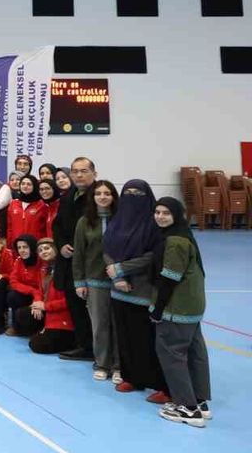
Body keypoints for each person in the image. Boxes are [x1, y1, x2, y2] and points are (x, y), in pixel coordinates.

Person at [104, 179, 168, 400]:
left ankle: (157, 381)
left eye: (138, 193)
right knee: (124, 336)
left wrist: (122, 268)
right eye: (128, 192)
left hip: (142, 290)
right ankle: (131, 377)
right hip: (118, 289)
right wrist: (117, 275)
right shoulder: (116, 221)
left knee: (146, 338)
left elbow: (153, 256)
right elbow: (107, 249)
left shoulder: (154, 225)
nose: (132, 197)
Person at [149, 197, 211, 428]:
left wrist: (158, 309)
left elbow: (169, 278)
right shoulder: (185, 235)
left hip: (177, 307)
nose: (160, 217)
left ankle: (187, 408)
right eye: (157, 212)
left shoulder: (175, 242)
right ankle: (200, 401)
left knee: (171, 353)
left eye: (166, 213)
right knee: (195, 352)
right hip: (192, 305)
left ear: (177, 215)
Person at [73, 179, 120, 381]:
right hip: (94, 281)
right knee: (99, 325)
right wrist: (79, 281)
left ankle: (118, 366)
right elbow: (79, 253)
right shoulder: (84, 222)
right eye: (98, 193)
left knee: (118, 325)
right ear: (92, 197)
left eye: (107, 193)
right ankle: (102, 363)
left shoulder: (121, 220)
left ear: (113, 197)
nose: (103, 197)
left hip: (119, 281)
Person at [53, 157, 96, 362]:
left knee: (94, 309)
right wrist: (61, 245)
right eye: (75, 171)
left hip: (92, 262)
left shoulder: (100, 194)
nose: (79, 175)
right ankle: (84, 345)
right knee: (76, 306)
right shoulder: (67, 196)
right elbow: (57, 225)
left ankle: (100, 349)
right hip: (69, 260)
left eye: (84, 171)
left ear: (94, 173)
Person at [29, 238, 77, 355]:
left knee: (37, 345)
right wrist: (37, 303)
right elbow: (38, 290)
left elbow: (70, 300)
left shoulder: (66, 268)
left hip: (63, 315)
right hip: (49, 311)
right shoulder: (44, 269)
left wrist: (45, 306)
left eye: (47, 248)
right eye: (40, 250)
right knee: (23, 316)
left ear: (55, 249)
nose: (43, 252)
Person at [7, 235, 42, 336]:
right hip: (28, 293)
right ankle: (16, 326)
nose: (22, 250)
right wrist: (32, 291)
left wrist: (37, 300)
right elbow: (13, 281)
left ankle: (39, 328)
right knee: (12, 296)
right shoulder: (19, 261)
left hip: (41, 296)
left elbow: (43, 285)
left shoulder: (41, 261)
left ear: (32, 247)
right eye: (19, 247)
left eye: (25, 247)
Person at [7, 175, 47, 245]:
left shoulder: (42, 205)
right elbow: (10, 228)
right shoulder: (13, 204)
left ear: (34, 186)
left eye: (29, 184)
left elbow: (45, 228)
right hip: (17, 245)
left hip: (36, 245)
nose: (25, 186)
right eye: (23, 184)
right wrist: (9, 245)